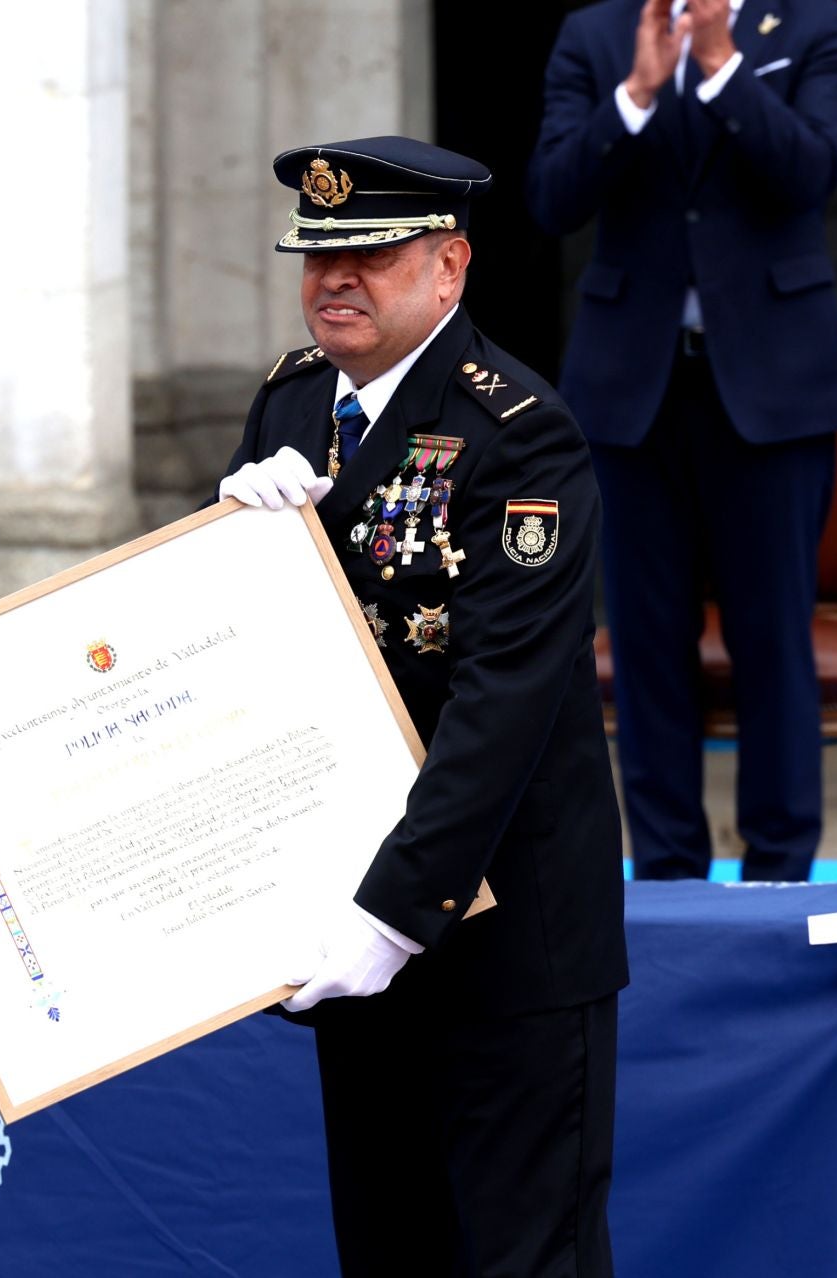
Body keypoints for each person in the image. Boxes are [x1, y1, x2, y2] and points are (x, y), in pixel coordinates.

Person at [218, 136, 628, 1277]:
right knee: (391, 1248)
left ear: (449, 269)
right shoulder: (291, 405)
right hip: (348, 917)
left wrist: (394, 912)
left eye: (372, 257)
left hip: (494, 937)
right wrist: (224, 561)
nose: (333, 282)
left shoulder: (521, 431)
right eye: (317, 258)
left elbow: (503, 707)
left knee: (517, 1257)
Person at [527, 0, 837, 882]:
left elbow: (811, 175)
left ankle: (780, 871)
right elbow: (551, 198)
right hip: (631, 390)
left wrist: (719, 66)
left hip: (774, 387)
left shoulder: (818, 25)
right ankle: (671, 873)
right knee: (645, 641)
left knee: (772, 637)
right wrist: (637, 92)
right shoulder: (596, 33)